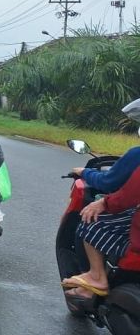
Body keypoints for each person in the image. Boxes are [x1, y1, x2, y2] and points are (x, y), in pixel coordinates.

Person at [62, 97, 140, 298]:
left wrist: (103, 201)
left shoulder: (136, 155)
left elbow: (116, 188)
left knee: (90, 221)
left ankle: (96, 278)